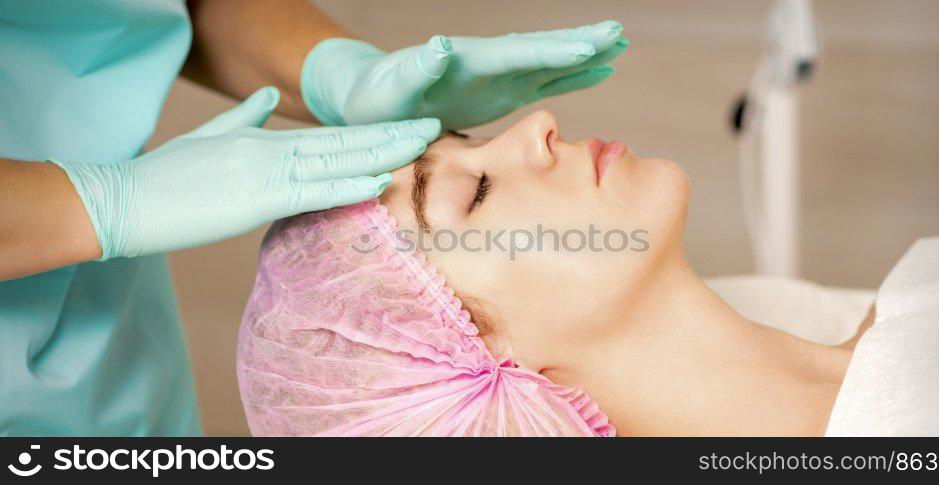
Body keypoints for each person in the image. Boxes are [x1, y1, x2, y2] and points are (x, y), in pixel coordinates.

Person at [0, 0, 628, 436]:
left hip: (104, 360)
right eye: (478, 191)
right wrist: (105, 203)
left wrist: (334, 71)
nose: (539, 127)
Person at [239, 109, 939, 436]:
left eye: (469, 141)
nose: (536, 128)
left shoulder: (924, 296)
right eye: (474, 191)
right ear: (480, 382)